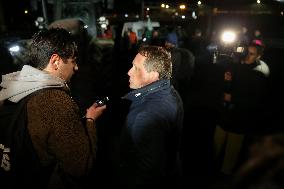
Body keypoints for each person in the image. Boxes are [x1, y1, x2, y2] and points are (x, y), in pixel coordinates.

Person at [0, 28, 106, 188]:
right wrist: (90, 120)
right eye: (73, 61)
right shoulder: (54, 101)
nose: (76, 68)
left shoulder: (12, 86)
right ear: (55, 61)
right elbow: (81, 166)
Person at [112, 45, 184, 189]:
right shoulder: (170, 91)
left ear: (154, 74)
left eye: (136, 68)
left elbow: (147, 172)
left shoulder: (146, 115)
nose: (129, 72)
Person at [214, 41, 270, 176]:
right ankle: (212, 168)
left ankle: (225, 174)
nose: (247, 56)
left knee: (231, 152)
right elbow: (226, 85)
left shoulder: (259, 74)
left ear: (258, 56)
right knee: (216, 145)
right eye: (246, 53)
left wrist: (232, 98)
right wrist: (227, 82)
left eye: (251, 54)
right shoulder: (236, 66)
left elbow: (255, 100)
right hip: (225, 115)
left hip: (240, 119)